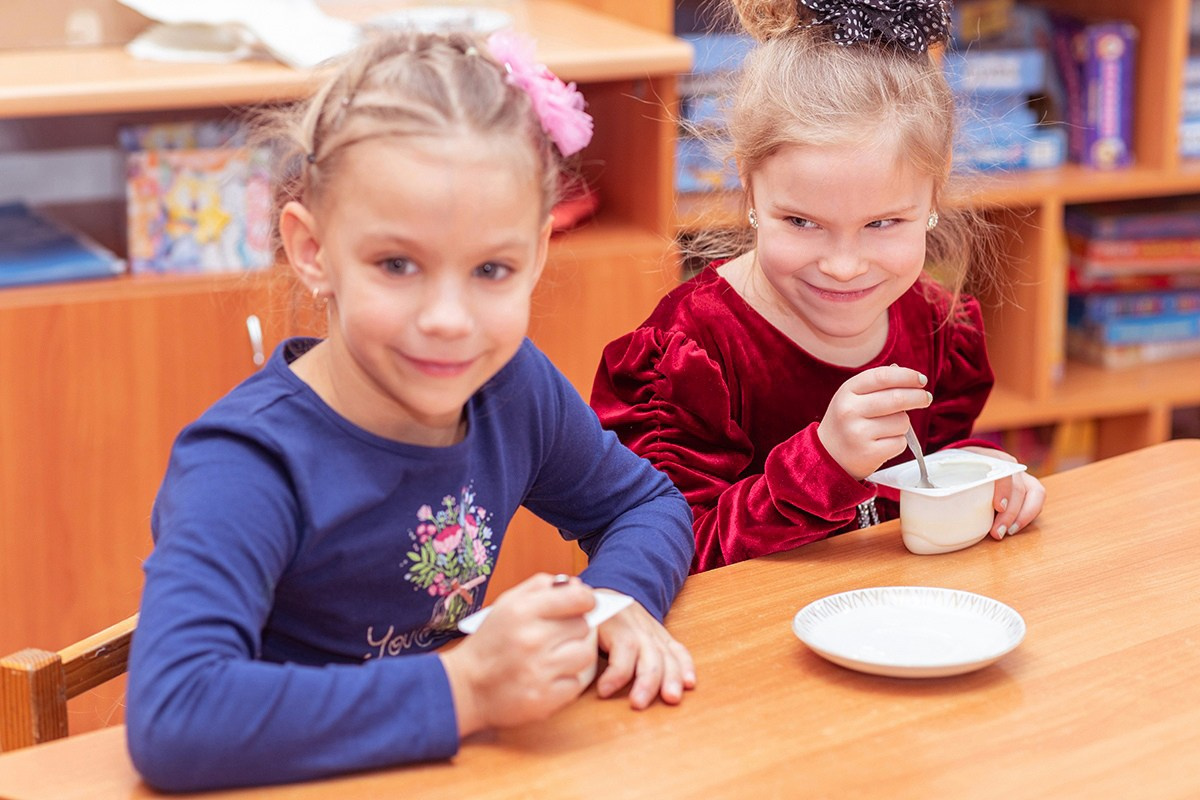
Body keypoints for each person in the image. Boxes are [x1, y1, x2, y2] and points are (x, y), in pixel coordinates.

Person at [126, 29, 695, 792]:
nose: (449, 320)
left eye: (492, 269)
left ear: (536, 254)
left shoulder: (509, 387)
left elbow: (644, 503)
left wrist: (613, 600)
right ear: (312, 249)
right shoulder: (245, 462)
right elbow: (176, 716)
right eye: (398, 265)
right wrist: (464, 691)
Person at [591, 0, 1045, 573]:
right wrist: (823, 463)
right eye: (802, 223)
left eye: (883, 224)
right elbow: (672, 552)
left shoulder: (937, 322)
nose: (843, 266)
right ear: (747, 184)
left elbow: (931, 458)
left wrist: (986, 478)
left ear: (936, 190)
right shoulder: (689, 354)